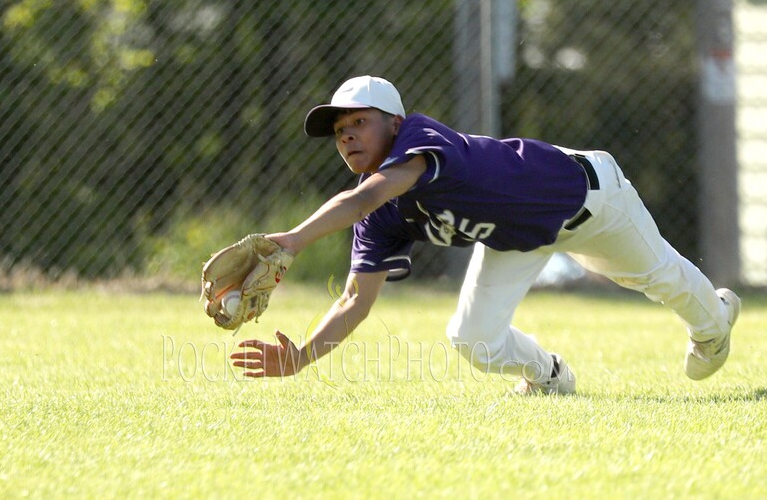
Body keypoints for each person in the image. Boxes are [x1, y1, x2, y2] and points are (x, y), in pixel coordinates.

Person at [230, 75, 741, 393]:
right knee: (471, 339)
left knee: (660, 282)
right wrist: (300, 357)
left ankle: (716, 321)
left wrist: (291, 240)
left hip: (589, 199)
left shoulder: (421, 139)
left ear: (394, 124)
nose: (346, 136)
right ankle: (550, 375)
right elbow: (354, 301)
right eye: (340, 132)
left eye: (359, 122)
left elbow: (364, 196)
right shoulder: (378, 213)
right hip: (519, 239)